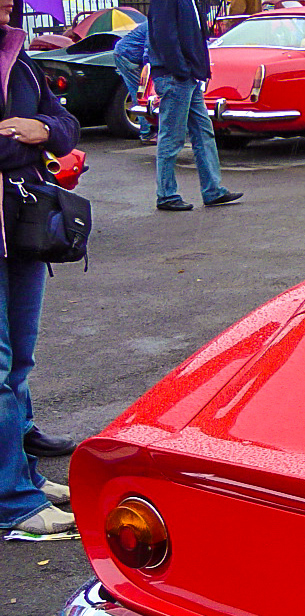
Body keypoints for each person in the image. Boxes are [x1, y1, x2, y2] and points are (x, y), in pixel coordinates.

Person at [1, 0, 81, 537]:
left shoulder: (18, 56)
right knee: (1, 368)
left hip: (23, 229)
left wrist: (40, 130)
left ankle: (21, 476)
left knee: (20, 363)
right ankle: (13, 504)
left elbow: (68, 126)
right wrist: (24, 142)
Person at [148, 0, 243, 211]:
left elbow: (196, 37)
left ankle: (213, 190)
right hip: (177, 76)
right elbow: (165, 36)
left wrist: (196, 71)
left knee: (204, 133)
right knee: (172, 138)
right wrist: (181, 70)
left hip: (187, 76)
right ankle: (166, 194)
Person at [114, 21, 154, 144]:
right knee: (141, 94)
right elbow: (149, 49)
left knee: (141, 93)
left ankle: (148, 131)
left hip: (125, 53)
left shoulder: (154, 22)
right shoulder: (155, 24)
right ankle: (147, 133)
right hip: (128, 56)